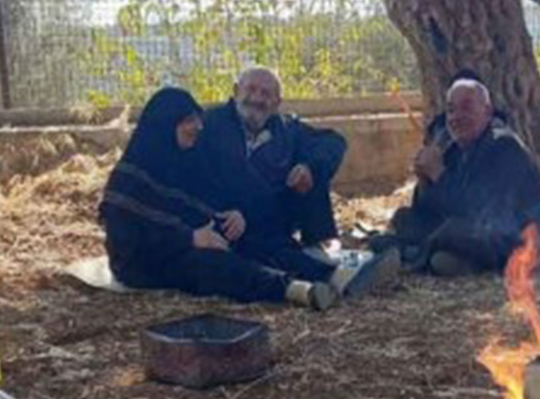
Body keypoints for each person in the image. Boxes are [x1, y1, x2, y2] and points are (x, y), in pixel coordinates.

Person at [100, 88, 393, 310]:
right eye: (187, 121)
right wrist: (188, 238)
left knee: (246, 236)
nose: (197, 127)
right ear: (166, 125)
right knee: (212, 265)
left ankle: (332, 275)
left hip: (194, 236)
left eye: (196, 119)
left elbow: (198, 200)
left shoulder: (184, 159)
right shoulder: (129, 177)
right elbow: (128, 241)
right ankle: (293, 290)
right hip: (148, 262)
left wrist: (229, 215)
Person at [385, 79, 540, 276]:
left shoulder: (504, 147)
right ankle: (421, 253)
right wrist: (424, 180)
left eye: (466, 108)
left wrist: (438, 174)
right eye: (451, 110)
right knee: (404, 218)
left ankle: (413, 258)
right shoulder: (454, 149)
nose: (457, 117)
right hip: (474, 232)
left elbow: (477, 211)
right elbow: (433, 209)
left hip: (515, 242)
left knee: (451, 232)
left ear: (487, 112)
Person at [198, 67, 347, 250]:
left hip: (271, 216)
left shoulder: (286, 129)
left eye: (266, 93)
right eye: (251, 90)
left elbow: (333, 141)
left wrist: (309, 167)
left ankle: (319, 244)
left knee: (313, 168)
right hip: (226, 216)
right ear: (236, 91)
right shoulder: (209, 124)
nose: (257, 99)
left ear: (277, 102)